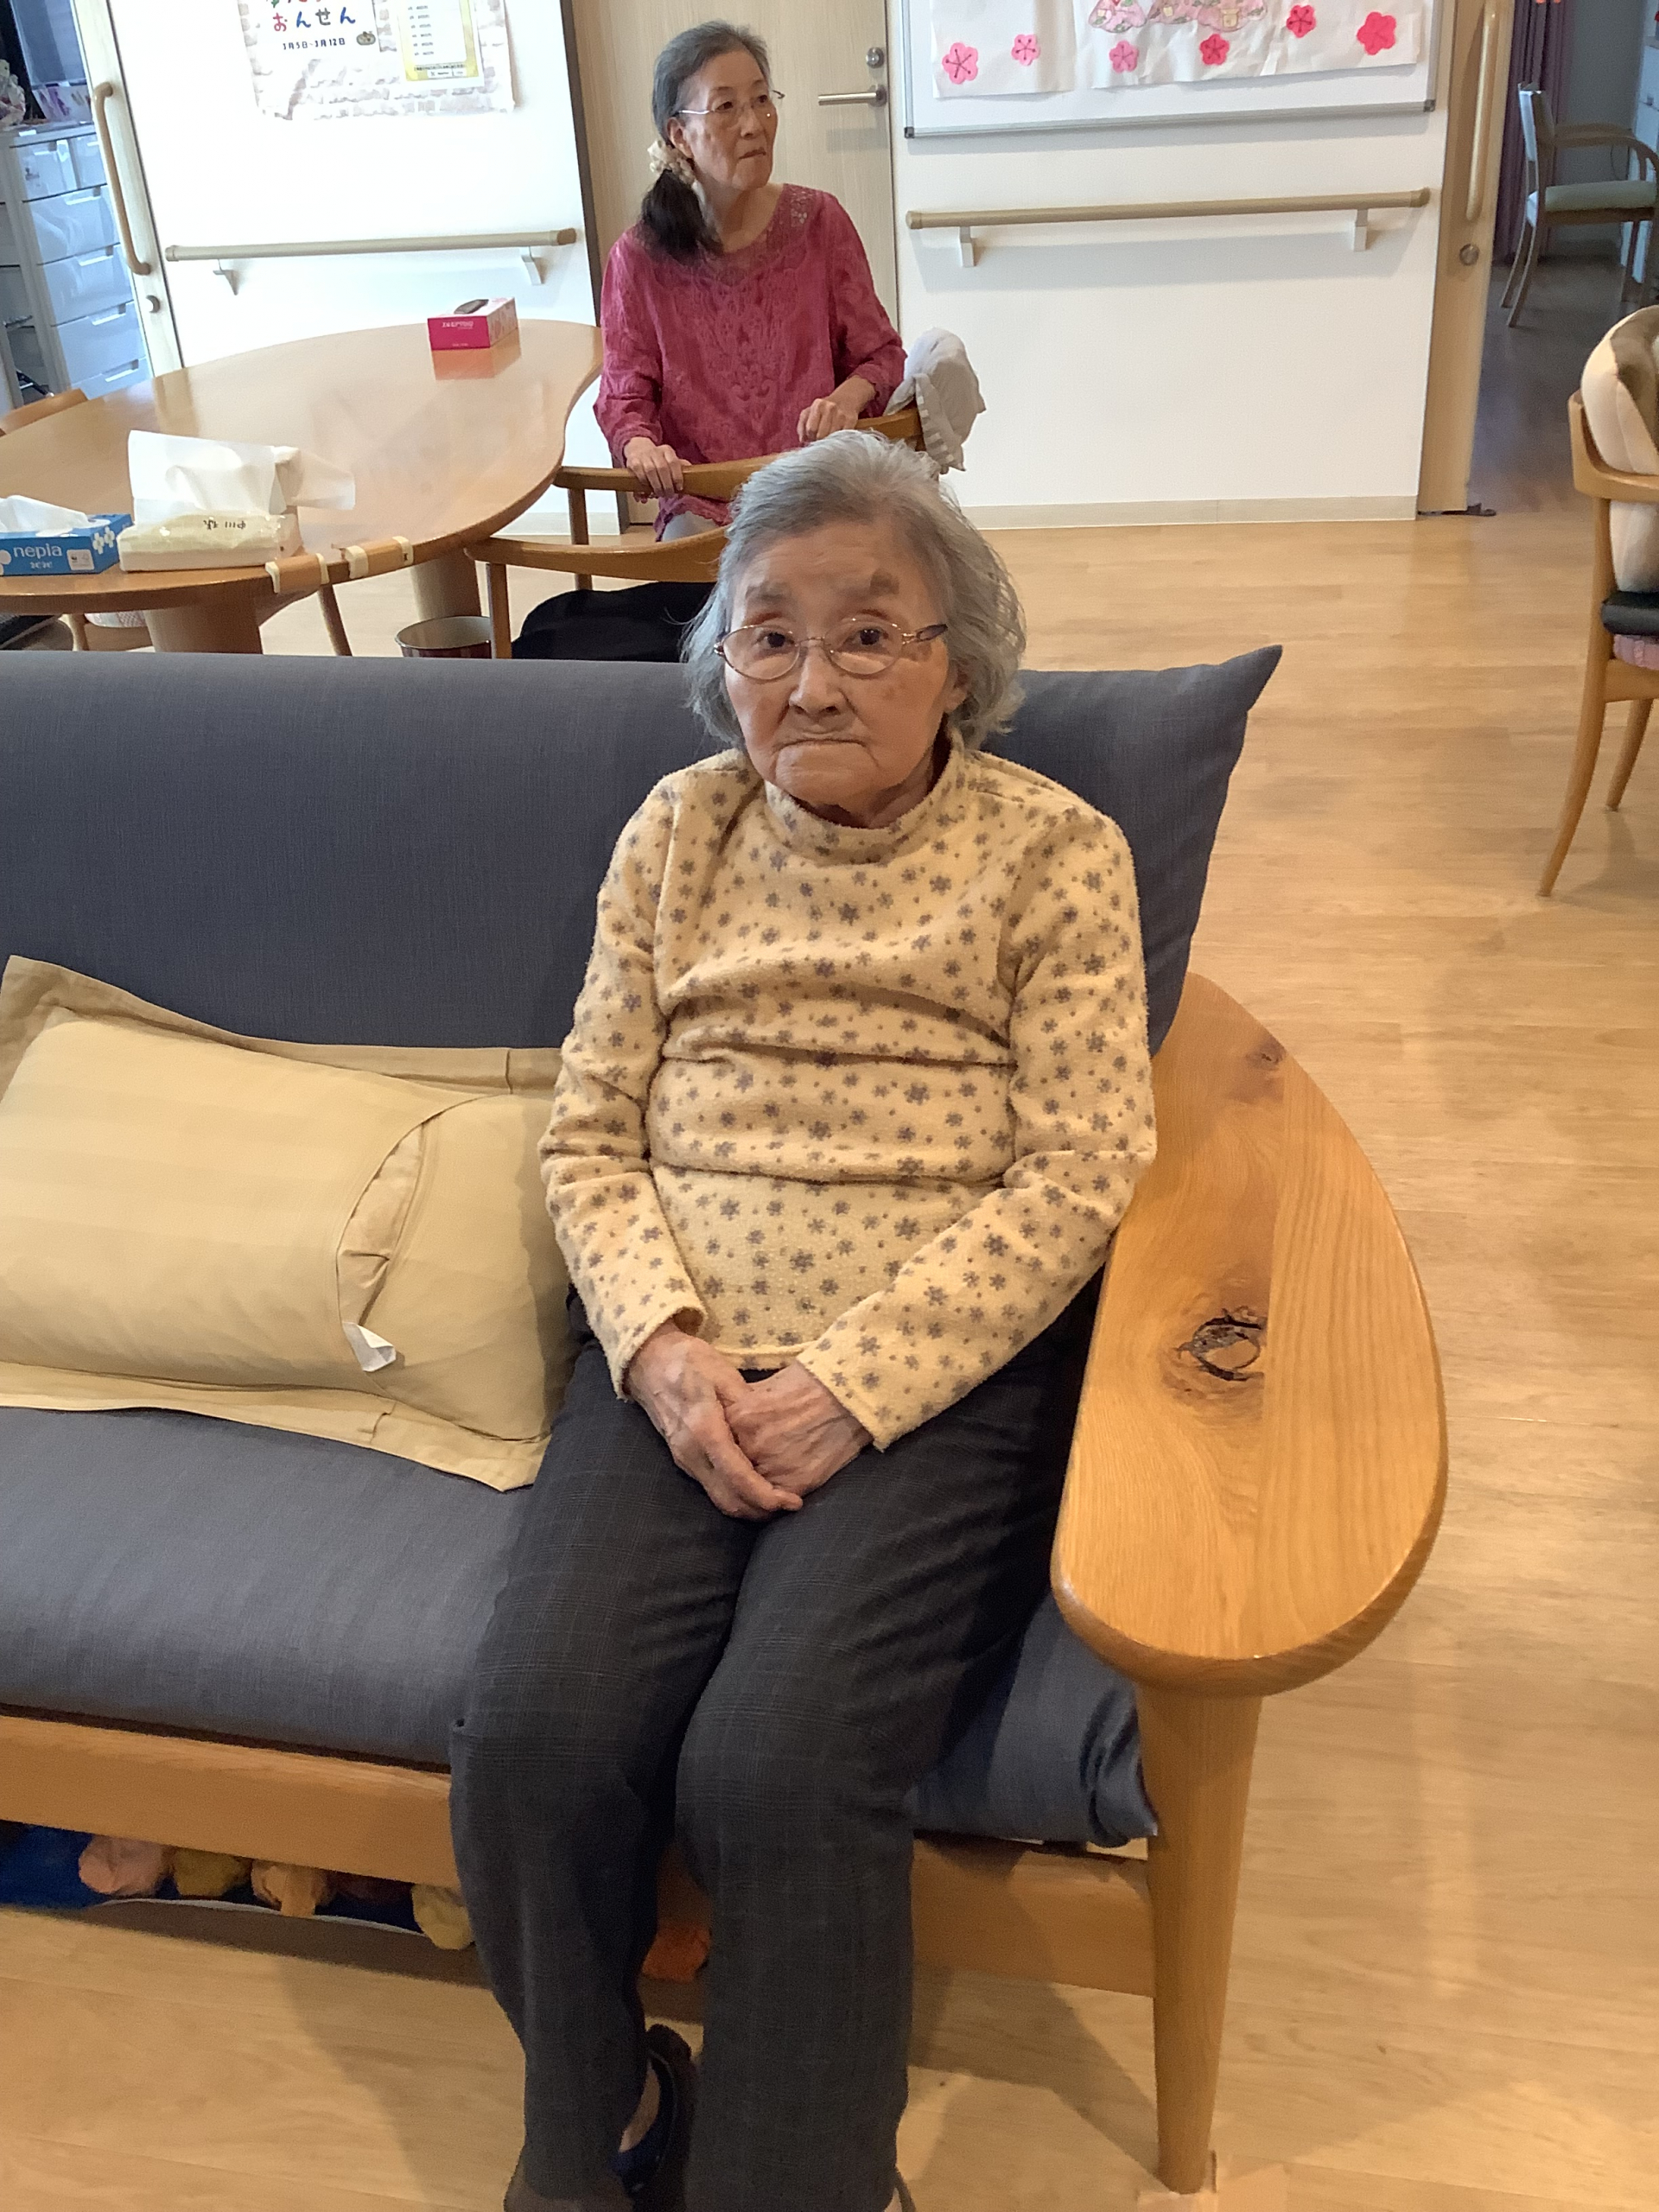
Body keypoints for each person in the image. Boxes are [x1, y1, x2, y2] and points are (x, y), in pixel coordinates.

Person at [452, 432, 1156, 2212]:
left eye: (867, 632)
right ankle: (602, 2127)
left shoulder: (1053, 852)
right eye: (769, 635)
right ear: (725, 661)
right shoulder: (678, 833)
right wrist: (660, 1348)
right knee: (533, 1732)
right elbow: (587, 1131)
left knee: (774, 1758)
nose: (813, 679)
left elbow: (1086, 1166)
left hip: (932, 1382)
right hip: (679, 1363)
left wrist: (852, 1383)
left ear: (959, 662)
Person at [594, 20, 907, 539]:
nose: (753, 125)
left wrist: (845, 400)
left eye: (762, 100)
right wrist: (642, 447)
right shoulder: (639, 257)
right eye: (726, 107)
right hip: (703, 497)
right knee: (696, 561)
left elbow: (883, 356)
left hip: (816, 485)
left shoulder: (820, 221)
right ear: (679, 135)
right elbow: (624, 397)